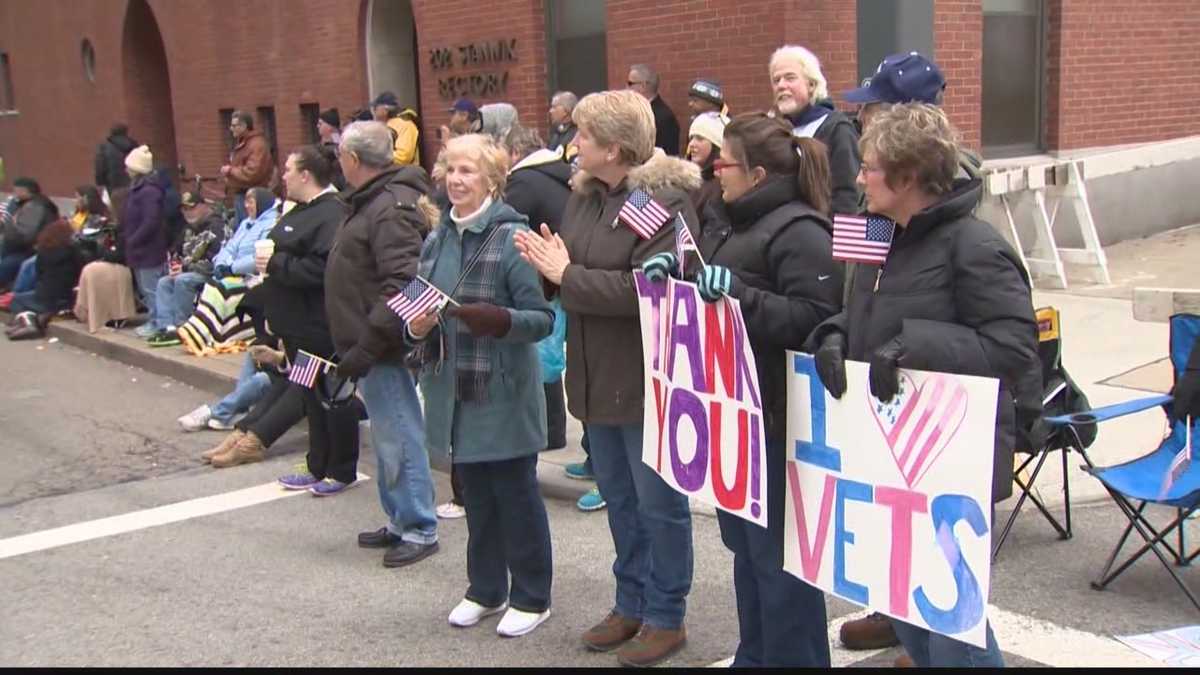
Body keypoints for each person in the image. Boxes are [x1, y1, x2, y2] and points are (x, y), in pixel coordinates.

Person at [808, 103, 1040, 668]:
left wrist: (917, 344)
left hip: (948, 460)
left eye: (869, 168)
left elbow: (1014, 349)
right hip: (886, 458)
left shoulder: (974, 245)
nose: (859, 179)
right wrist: (835, 338)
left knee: (952, 625)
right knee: (906, 608)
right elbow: (856, 313)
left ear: (908, 178)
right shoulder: (877, 233)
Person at [647, 112, 841, 666]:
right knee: (747, 551)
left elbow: (819, 318)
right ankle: (755, 654)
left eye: (723, 161)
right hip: (730, 414)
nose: (714, 169)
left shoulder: (801, 231)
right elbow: (710, 279)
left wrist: (739, 296)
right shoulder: (725, 218)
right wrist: (680, 276)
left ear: (755, 173)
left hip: (776, 417)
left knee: (780, 562)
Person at [514, 89, 699, 667]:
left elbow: (652, 292)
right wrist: (550, 271)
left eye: (584, 136)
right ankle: (631, 601)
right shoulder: (585, 199)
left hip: (647, 381)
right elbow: (572, 272)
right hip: (596, 377)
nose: (573, 144)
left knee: (658, 505)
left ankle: (666, 615)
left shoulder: (662, 205)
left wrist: (566, 274)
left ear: (615, 148)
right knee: (620, 500)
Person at [834, 50, 980, 651]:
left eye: (871, 107)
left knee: (946, 603)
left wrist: (905, 343)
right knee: (896, 559)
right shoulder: (878, 207)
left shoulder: (955, 213)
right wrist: (840, 331)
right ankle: (898, 617)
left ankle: (918, 632)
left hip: (937, 429)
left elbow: (995, 335)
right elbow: (863, 286)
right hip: (882, 415)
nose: (860, 116)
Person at [405, 133, 555, 636]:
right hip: (452, 392)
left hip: (503, 392)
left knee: (515, 497)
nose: (456, 179)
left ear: (492, 179)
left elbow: (540, 319)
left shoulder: (514, 238)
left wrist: (498, 319)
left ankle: (533, 596)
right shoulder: (437, 236)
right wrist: (417, 325)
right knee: (476, 499)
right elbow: (417, 303)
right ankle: (486, 589)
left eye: (468, 170)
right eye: (450, 169)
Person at [326, 120, 439, 568]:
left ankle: (418, 525)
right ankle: (399, 518)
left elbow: (403, 282)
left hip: (383, 345)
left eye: (341, 156)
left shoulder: (390, 207)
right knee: (387, 434)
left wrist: (368, 342)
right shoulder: (370, 202)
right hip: (368, 342)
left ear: (353, 159)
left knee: (399, 432)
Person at [212, 145, 360, 489]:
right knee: (309, 395)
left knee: (331, 397)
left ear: (307, 175)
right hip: (294, 326)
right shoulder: (299, 210)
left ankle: (340, 469)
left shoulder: (332, 213)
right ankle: (316, 465)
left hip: (320, 325)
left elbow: (326, 268)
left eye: (290, 169)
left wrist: (277, 264)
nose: (284, 176)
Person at [503, 124, 572, 453]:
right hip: (564, 275)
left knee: (543, 357)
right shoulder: (561, 174)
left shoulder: (522, 182)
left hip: (544, 279)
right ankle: (558, 432)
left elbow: (503, 227)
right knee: (552, 357)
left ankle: (549, 432)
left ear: (515, 153)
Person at [177, 188, 277, 355]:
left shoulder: (270, 224)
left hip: (251, 276)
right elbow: (228, 247)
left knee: (219, 288)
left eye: (250, 202)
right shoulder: (245, 224)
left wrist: (232, 267)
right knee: (214, 284)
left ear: (262, 203)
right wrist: (221, 264)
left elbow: (258, 257)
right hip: (229, 272)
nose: (246, 206)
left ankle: (213, 334)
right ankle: (183, 328)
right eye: (246, 201)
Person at [769, 45, 861, 214]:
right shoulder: (774, 131)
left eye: (790, 78)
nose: (781, 85)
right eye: (776, 80)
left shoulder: (837, 130)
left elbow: (846, 197)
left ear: (811, 84)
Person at [146, 191, 226, 347]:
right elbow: (176, 251)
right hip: (188, 270)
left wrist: (185, 268)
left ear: (203, 206)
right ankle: (167, 327)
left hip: (209, 273)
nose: (187, 213)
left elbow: (214, 260)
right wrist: (174, 264)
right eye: (184, 209)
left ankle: (182, 327)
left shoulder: (216, 226)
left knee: (183, 280)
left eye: (191, 208)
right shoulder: (189, 228)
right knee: (164, 281)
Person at [121, 145, 173, 338]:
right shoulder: (138, 190)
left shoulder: (149, 192)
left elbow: (151, 221)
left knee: (152, 288)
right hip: (139, 248)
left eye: (129, 166)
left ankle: (159, 322)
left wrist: (134, 239)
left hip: (148, 249)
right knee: (146, 288)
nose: (126, 170)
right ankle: (155, 320)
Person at [74, 187, 139, 333]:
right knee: (90, 268)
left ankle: (105, 314)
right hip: (114, 259)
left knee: (93, 270)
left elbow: (122, 251)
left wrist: (105, 252)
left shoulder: (130, 224)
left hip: (125, 264)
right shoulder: (117, 223)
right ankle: (89, 312)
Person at [8, 218, 82, 319]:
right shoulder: (75, 252)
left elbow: (39, 273)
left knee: (15, 301)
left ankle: (31, 319)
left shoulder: (44, 252)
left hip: (45, 298)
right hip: (67, 298)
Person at [1, 177, 58, 288]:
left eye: (15, 191)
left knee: (5, 266)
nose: (14, 194)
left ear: (24, 191)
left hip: (28, 251)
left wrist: (7, 226)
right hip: (22, 249)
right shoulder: (28, 204)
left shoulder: (34, 207)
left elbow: (24, 236)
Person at [221, 110, 273, 225]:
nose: (231, 128)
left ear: (244, 126)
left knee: (250, 229)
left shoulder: (256, 145)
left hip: (252, 196)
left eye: (234, 125)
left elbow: (253, 173)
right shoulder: (244, 143)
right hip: (242, 195)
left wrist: (230, 170)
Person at [628, 64, 681, 156]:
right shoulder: (641, 112)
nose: (627, 88)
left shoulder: (664, 118)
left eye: (630, 83)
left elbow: (668, 156)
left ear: (643, 86)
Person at [685, 111, 727, 219]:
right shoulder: (683, 180)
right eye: (691, 138)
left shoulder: (722, 187)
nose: (691, 144)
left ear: (716, 145)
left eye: (699, 138)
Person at [371, 91, 421, 167]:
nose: (373, 112)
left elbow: (403, 156)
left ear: (385, 110)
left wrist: (376, 157)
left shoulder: (406, 125)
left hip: (403, 175)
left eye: (375, 108)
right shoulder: (381, 126)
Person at [93, 123, 139, 199]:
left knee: (115, 205)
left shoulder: (105, 147)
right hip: (131, 182)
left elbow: (100, 166)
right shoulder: (134, 146)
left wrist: (100, 182)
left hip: (112, 183)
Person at [317, 108, 347, 190]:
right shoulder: (320, 146)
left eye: (321, 123)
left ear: (329, 126)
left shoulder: (341, 144)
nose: (317, 126)